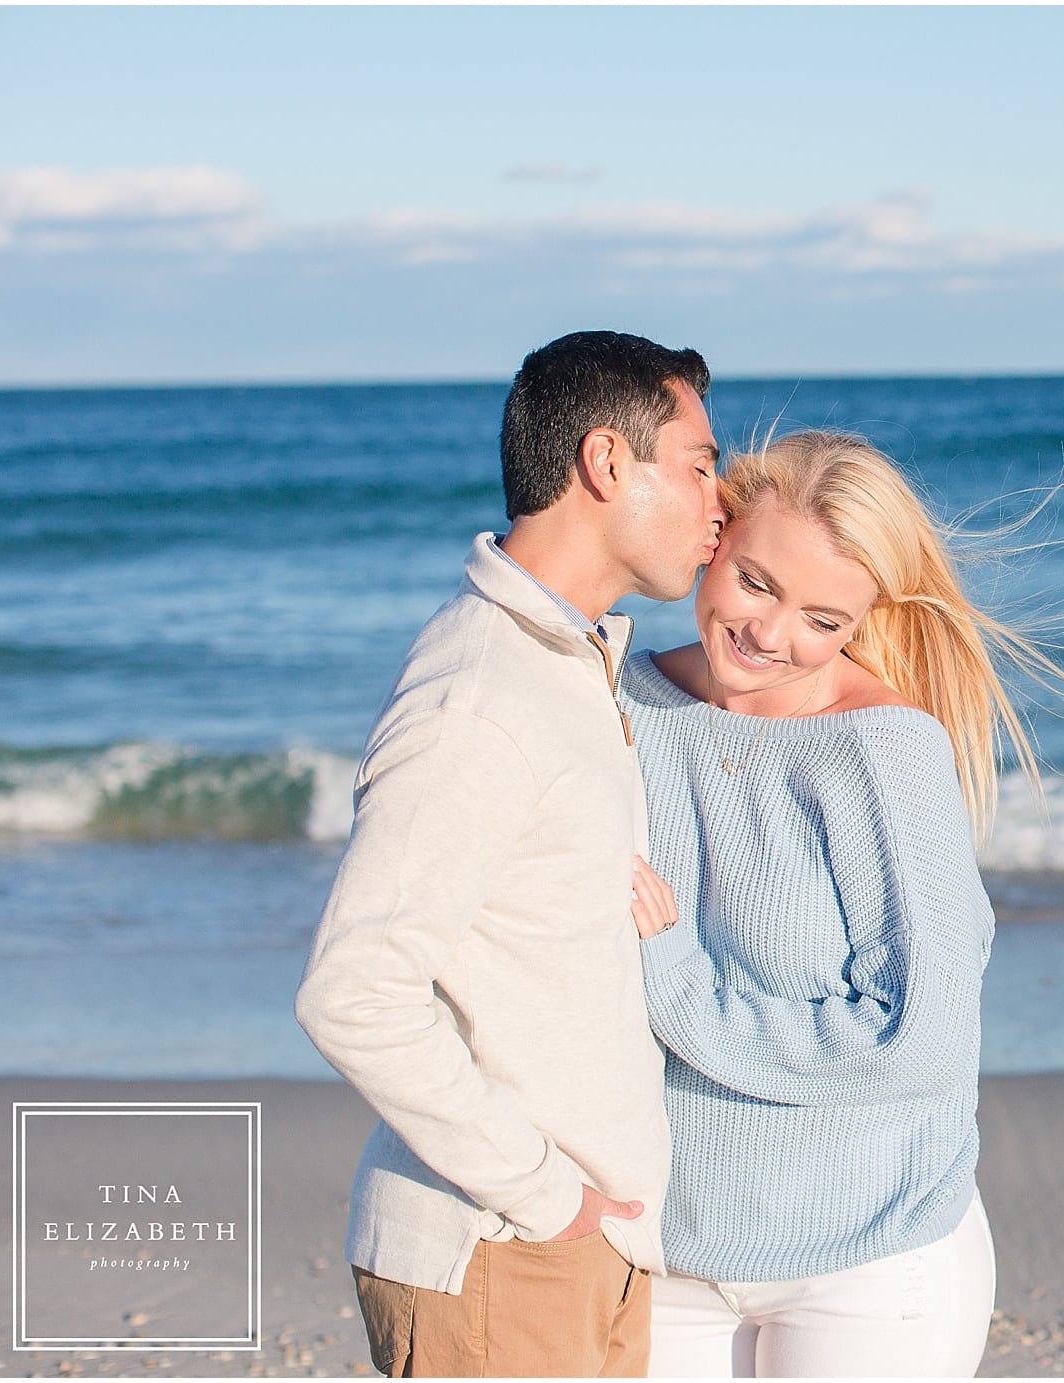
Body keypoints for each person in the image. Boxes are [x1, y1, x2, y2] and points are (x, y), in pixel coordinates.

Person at [295, 330, 726, 1377]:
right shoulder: (480, 695)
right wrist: (545, 1197)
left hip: (580, 1246)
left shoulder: (567, 662)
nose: (722, 504)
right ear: (606, 462)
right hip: (505, 1248)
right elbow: (354, 992)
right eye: (701, 466)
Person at [621, 430, 1064, 1377]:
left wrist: (669, 986)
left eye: (823, 618)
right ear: (715, 536)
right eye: (757, 582)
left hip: (869, 1256)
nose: (770, 633)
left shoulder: (884, 754)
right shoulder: (623, 698)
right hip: (664, 1246)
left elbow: (917, 1036)